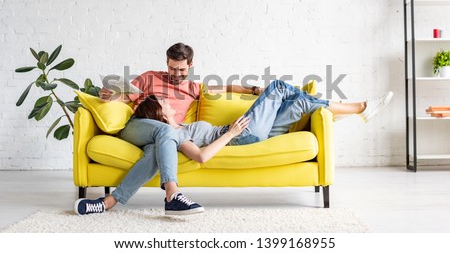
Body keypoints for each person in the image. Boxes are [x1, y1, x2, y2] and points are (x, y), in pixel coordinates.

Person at [74, 43, 264, 216]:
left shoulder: (194, 88)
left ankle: (106, 203)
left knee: (155, 153)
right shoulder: (149, 77)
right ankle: (172, 194)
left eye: (181, 69)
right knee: (167, 131)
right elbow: (126, 98)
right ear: (166, 63)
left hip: (164, 138)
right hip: (138, 126)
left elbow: (226, 87)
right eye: (172, 68)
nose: (176, 73)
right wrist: (109, 98)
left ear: (190, 65)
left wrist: (255, 90)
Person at [133, 80, 393, 164]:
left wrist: (252, 91)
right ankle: (359, 107)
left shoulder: (179, 122)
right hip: (241, 134)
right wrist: (231, 133)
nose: (169, 103)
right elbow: (201, 157)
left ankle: (359, 110)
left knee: (300, 103)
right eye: (164, 103)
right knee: (278, 86)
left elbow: (215, 85)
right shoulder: (174, 135)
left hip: (255, 133)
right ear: (160, 114)